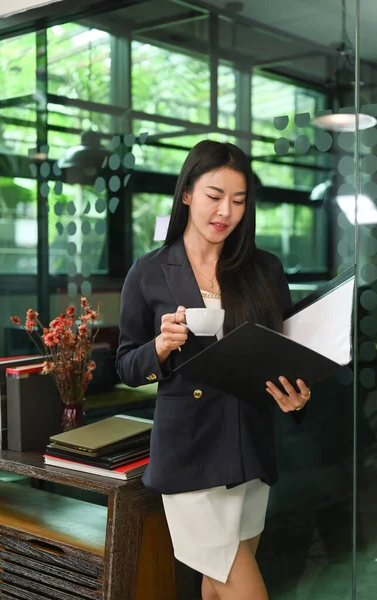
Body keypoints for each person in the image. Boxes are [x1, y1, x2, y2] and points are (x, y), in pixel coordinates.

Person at [116, 140, 311, 600]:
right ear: (187, 193)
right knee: (240, 583)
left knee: (215, 582)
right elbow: (125, 366)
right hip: (189, 452)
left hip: (249, 444)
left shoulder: (263, 269)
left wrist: (298, 395)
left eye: (239, 201)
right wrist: (161, 346)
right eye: (214, 195)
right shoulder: (148, 272)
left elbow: (289, 355)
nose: (226, 211)